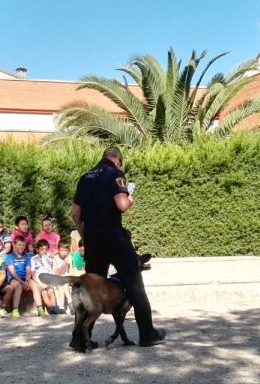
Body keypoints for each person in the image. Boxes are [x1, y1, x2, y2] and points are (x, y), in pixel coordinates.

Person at [72, 147, 165, 347]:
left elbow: (75, 214)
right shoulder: (115, 173)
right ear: (116, 159)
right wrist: (130, 198)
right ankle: (147, 334)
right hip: (113, 236)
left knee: (91, 287)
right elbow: (122, 205)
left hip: (93, 239)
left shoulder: (84, 178)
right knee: (134, 282)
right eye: (120, 162)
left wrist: (85, 236)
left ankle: (79, 339)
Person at [1, 236, 32, 319]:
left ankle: (40, 309)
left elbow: (28, 270)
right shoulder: (8, 256)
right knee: (18, 285)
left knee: (34, 285)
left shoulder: (27, 256)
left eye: (23, 245)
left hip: (25, 278)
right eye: (19, 245)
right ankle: (15, 310)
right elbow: (13, 273)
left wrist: (27, 281)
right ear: (14, 244)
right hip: (13, 278)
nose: (21, 247)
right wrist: (23, 283)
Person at [30, 239, 61, 315]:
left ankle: (54, 308)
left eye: (46, 249)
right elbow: (33, 274)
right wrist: (40, 284)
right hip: (39, 281)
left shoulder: (49, 259)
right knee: (44, 294)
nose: (44, 251)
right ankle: (52, 308)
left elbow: (51, 270)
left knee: (51, 292)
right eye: (42, 249)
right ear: (37, 250)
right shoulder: (33, 259)